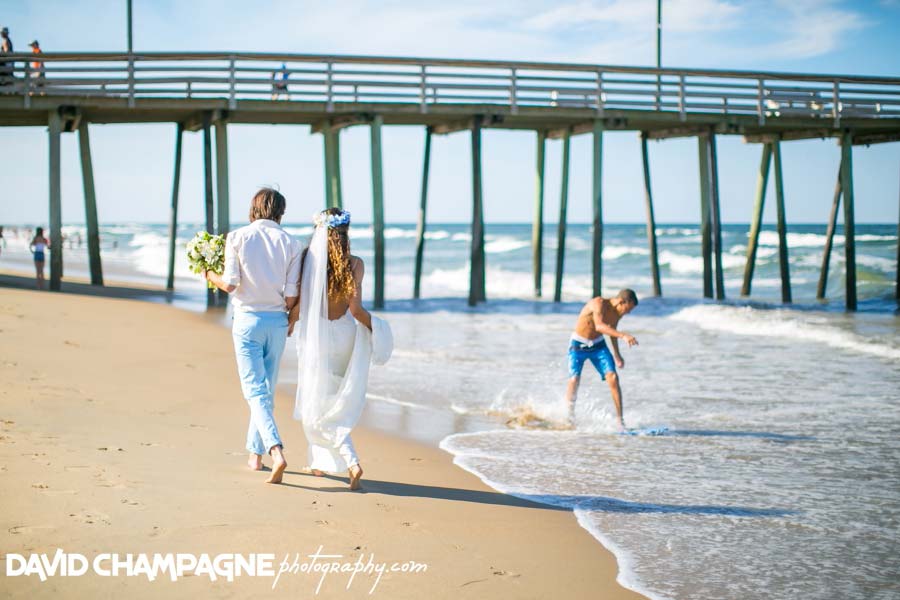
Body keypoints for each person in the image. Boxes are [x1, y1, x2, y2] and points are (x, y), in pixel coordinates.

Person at [204, 188, 303, 484]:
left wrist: (209, 275)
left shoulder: (236, 238)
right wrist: (291, 316)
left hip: (247, 321)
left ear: (254, 208)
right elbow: (291, 296)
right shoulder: (293, 244)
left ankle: (276, 450)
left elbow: (231, 284)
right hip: (277, 323)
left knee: (254, 392)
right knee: (265, 392)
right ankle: (254, 455)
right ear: (280, 212)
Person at [291, 208, 392, 491]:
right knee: (334, 400)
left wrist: (287, 324)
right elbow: (356, 310)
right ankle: (319, 463)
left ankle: (351, 461)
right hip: (346, 334)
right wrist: (379, 329)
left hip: (318, 336)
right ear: (346, 232)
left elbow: (300, 305)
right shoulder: (356, 263)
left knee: (316, 401)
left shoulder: (307, 260)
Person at [565, 289, 639, 431]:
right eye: (628, 309)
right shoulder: (598, 304)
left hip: (598, 345)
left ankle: (620, 422)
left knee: (613, 377)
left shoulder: (617, 313)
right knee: (574, 379)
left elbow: (612, 330)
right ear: (622, 302)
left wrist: (617, 355)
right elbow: (599, 326)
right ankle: (569, 417)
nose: (628, 313)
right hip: (578, 344)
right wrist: (623, 336)